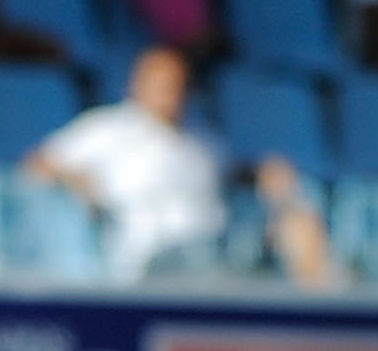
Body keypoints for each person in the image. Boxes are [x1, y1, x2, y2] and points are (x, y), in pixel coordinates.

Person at [22, 46, 330, 284]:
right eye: (164, 85)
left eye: (179, 85)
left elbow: (231, 172)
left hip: (218, 246)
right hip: (153, 255)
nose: (173, 94)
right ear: (138, 85)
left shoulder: (202, 139)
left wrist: (263, 172)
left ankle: (329, 332)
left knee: (298, 222)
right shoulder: (107, 128)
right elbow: (37, 164)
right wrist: (74, 179)